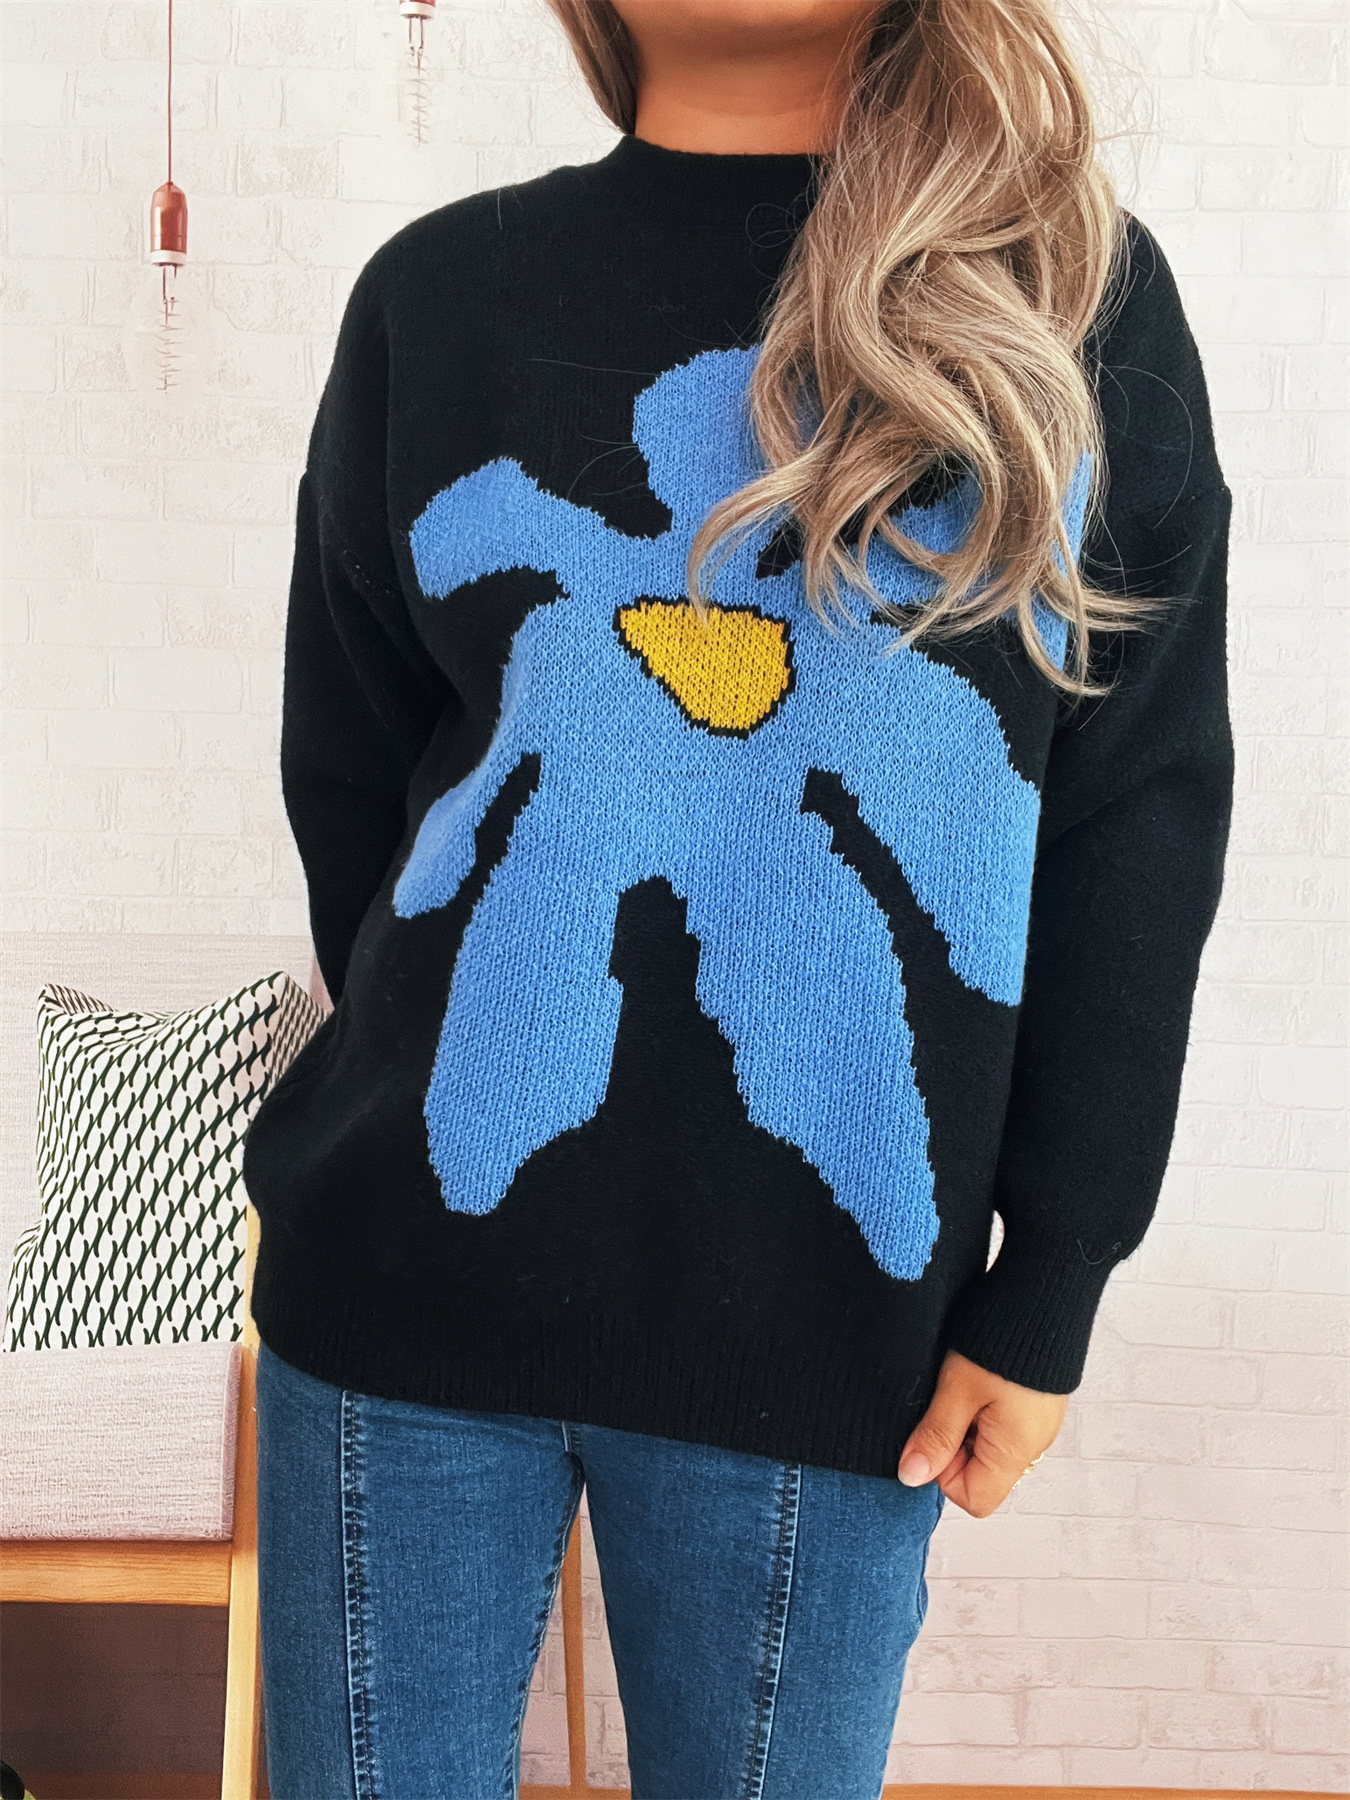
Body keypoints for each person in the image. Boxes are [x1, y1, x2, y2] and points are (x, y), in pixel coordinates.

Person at [241, 1, 1233, 1794]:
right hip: (391, 1303)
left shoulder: (1060, 308)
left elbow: (1133, 822)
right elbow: (358, 788)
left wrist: (1052, 1277)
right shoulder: (435, 296)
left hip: (832, 1339)